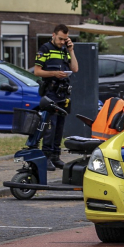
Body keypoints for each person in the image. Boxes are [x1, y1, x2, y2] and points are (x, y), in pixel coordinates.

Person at [34, 24, 79, 170]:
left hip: (63, 93)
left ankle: (55, 156)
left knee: (60, 127)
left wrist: (71, 50)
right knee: (50, 127)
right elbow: (37, 72)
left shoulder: (65, 50)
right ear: (53, 35)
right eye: (60, 39)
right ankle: (46, 157)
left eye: (65, 39)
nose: (62, 42)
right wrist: (54, 74)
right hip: (51, 93)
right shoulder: (45, 49)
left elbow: (75, 68)